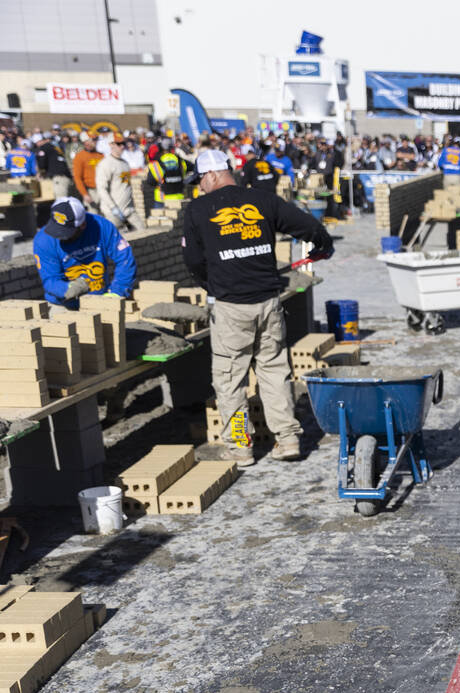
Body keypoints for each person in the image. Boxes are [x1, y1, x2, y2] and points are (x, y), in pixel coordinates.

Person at [182, 150, 334, 465]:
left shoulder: (198, 209)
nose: (199, 187)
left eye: (200, 180)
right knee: (274, 370)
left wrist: (211, 285)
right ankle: (288, 439)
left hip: (231, 307)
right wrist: (323, 244)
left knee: (229, 378)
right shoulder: (263, 200)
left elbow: (193, 261)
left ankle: (240, 448)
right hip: (268, 303)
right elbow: (305, 224)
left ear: (211, 175)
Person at [33, 197, 136, 309]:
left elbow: (125, 259)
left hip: (100, 300)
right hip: (63, 305)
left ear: (82, 225)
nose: (59, 236)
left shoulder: (102, 227)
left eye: (66, 232)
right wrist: (67, 288)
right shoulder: (44, 240)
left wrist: (117, 292)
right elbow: (50, 280)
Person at [93, 135, 147, 232]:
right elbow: (101, 189)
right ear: (111, 145)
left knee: (143, 231)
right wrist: (113, 208)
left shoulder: (125, 163)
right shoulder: (105, 164)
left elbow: (125, 184)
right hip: (113, 213)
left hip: (129, 210)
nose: (122, 146)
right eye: (119, 144)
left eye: (123, 144)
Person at [147, 141, 189, 206]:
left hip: (162, 199)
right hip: (180, 198)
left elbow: (150, 181)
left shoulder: (156, 164)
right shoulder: (180, 161)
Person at [72, 135, 104, 212]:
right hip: (91, 191)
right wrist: (85, 194)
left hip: (103, 190)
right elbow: (77, 177)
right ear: (86, 142)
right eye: (92, 140)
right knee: (94, 214)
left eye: (95, 140)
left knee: (106, 215)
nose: (94, 143)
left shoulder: (101, 156)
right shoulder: (79, 156)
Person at [37, 135, 75, 199]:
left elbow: (42, 164)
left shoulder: (44, 147)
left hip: (58, 177)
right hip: (67, 176)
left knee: (61, 201)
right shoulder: (56, 147)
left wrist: (40, 172)